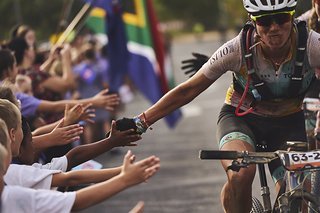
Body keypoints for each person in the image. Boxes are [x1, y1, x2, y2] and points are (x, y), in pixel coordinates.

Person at [115, 0, 320, 212]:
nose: (274, 27)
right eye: (265, 21)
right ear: (253, 21)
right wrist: (141, 121)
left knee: (298, 195)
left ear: (292, 17)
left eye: (282, 18)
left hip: (290, 122)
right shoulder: (236, 49)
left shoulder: (313, 45)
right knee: (241, 173)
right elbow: (188, 90)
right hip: (243, 118)